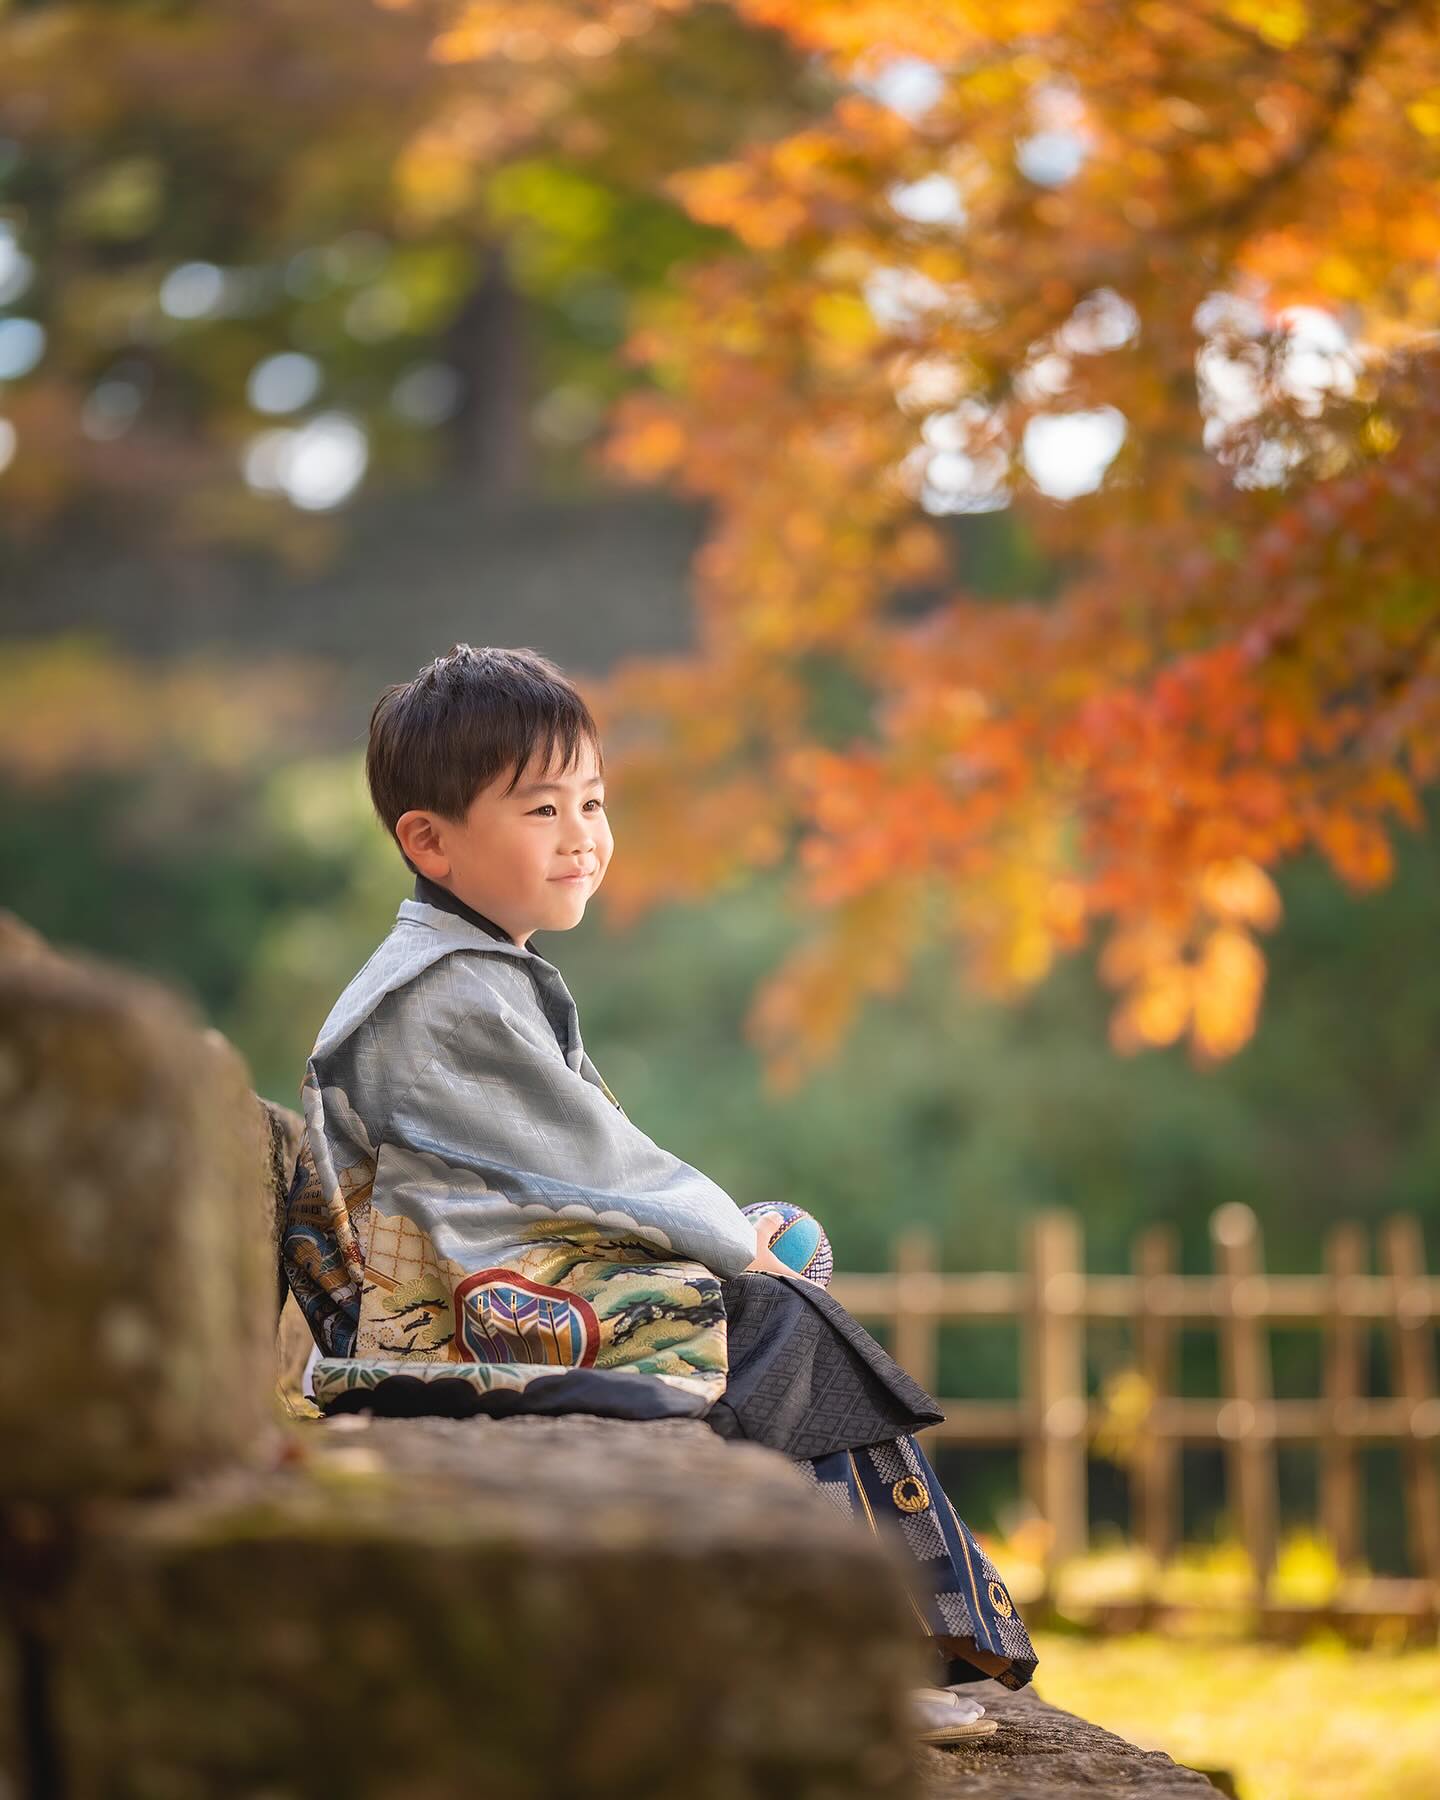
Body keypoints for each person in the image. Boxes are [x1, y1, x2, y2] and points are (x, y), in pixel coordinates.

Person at [280, 644, 1038, 1744]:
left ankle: (845, 1639)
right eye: (542, 808)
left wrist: (743, 1237)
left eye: (592, 800)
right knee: (770, 1316)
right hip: (450, 1315)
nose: (584, 833)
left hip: (493, 1278)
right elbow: (593, 1166)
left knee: (779, 1273)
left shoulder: (475, 968)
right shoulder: (442, 991)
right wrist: (738, 1249)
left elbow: (587, 1160)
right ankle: (850, 1654)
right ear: (429, 841)